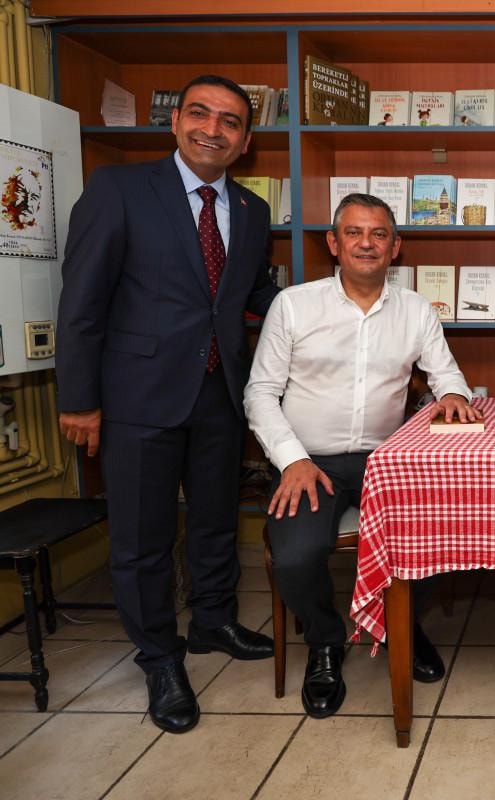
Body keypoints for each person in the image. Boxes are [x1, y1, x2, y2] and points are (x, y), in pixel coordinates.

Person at [56, 75, 280, 734]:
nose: (214, 129)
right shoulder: (119, 190)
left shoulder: (252, 209)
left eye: (231, 121)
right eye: (201, 114)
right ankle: (159, 657)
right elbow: (81, 301)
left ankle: (212, 621)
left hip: (220, 393)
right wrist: (80, 400)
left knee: (214, 520)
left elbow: (252, 292)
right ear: (176, 121)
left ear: (245, 140)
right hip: (137, 398)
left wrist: (329, 306)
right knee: (143, 537)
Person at [244, 193, 480, 718]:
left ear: (395, 247)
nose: (366, 244)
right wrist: (292, 459)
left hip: (386, 460)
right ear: (334, 243)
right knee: (296, 557)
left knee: (449, 530)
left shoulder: (416, 310)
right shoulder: (293, 305)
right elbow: (259, 394)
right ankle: (326, 642)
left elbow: (447, 374)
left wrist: (453, 394)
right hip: (308, 461)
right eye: (354, 232)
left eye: (378, 234)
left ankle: (401, 624)